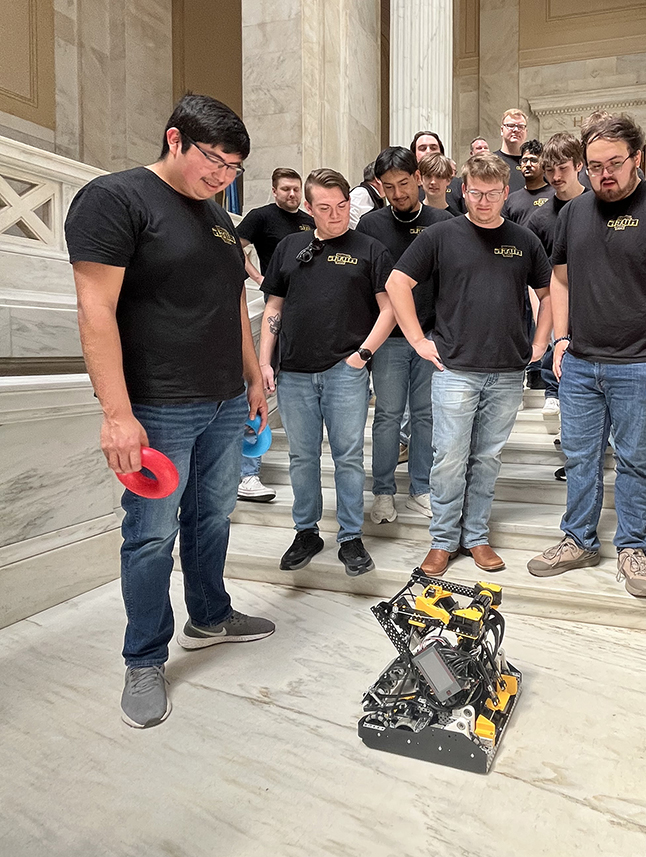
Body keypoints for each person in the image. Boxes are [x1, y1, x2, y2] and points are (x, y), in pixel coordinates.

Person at [65, 93, 275, 729]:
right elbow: (95, 310)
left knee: (212, 516)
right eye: (214, 160)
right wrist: (116, 414)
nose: (223, 176)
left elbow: (232, 303)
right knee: (151, 535)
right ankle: (144, 657)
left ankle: (209, 616)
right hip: (157, 406)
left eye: (234, 168)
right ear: (175, 139)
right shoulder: (116, 198)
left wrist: (252, 377)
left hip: (224, 400)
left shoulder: (218, 218)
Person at [526, 113, 646, 599]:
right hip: (581, 362)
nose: (605, 174)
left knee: (636, 460)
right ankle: (578, 540)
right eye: (595, 165)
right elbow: (560, 279)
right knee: (580, 457)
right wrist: (561, 339)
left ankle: (632, 547)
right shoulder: (573, 213)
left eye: (615, 164)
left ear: (637, 157)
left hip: (640, 362)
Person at [385, 153, 552, 577]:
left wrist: (541, 341)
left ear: (505, 192)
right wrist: (417, 339)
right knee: (449, 458)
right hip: (454, 368)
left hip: (508, 369)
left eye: (493, 193)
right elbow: (397, 282)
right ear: (464, 190)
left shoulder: (524, 239)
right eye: (476, 193)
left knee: (487, 457)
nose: (484, 201)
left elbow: (549, 292)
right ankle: (443, 539)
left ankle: (476, 535)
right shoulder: (441, 235)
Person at [258, 169, 397, 576]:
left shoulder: (370, 249)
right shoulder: (289, 246)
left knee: (348, 457)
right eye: (325, 207)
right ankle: (306, 531)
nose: (336, 215)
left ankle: (350, 536)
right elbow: (273, 307)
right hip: (294, 372)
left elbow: (389, 309)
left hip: (344, 371)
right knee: (302, 456)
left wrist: (362, 354)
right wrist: (265, 361)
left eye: (342, 206)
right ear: (308, 207)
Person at [356, 147, 453, 524]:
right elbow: (364, 285)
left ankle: (421, 488)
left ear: (418, 178)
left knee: (426, 416)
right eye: (389, 186)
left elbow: (451, 281)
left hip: (430, 337)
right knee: (387, 416)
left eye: (403, 183)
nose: (397, 193)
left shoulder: (442, 220)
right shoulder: (370, 225)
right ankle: (383, 491)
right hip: (389, 340)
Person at [236, 167, 315, 503]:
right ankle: (247, 473)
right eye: (285, 189)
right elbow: (235, 248)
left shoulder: (309, 222)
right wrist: (259, 278)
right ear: (274, 190)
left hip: (304, 315)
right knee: (258, 386)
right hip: (275, 308)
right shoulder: (261, 217)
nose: (292, 194)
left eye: (296, 189)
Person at [525, 132, 589, 417]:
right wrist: (542, 313)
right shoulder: (539, 219)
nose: (555, 176)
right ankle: (554, 393)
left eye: (562, 168)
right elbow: (534, 276)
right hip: (556, 300)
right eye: (549, 170)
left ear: (579, 165)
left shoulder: (600, 205)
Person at [410, 130, 465, 214]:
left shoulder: (457, 184)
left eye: (433, 148)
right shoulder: (407, 184)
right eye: (422, 148)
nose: (428, 151)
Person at [502, 139, 550, 225]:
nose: (528, 165)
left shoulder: (555, 195)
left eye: (533, 160)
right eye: (524, 160)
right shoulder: (511, 200)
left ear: (544, 164)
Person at [494, 109, 528, 192]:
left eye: (521, 126)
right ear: (502, 130)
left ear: (526, 132)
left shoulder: (533, 162)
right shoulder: (491, 161)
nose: (516, 130)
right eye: (511, 125)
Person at [348, 161, 385, 229]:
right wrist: (361, 234)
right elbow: (349, 215)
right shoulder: (361, 192)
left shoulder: (369, 194)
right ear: (378, 179)